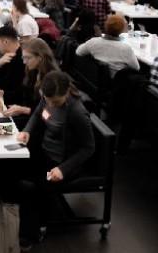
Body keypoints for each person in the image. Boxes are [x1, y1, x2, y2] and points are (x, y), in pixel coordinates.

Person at [16, 71, 95, 242]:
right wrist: (27, 131)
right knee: (11, 168)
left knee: (35, 186)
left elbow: (89, 148)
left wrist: (63, 169)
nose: (51, 103)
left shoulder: (77, 112)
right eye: (48, 99)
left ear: (66, 92)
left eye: (56, 101)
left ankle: (29, 231)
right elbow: (37, 115)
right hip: (44, 151)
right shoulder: (47, 97)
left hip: (61, 162)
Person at [0, 38, 59, 128]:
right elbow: (21, 93)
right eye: (23, 58)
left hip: (41, 126)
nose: (24, 62)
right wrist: (3, 93)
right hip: (30, 118)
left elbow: (50, 115)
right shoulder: (33, 71)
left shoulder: (52, 80)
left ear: (40, 57)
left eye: (27, 58)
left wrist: (25, 110)